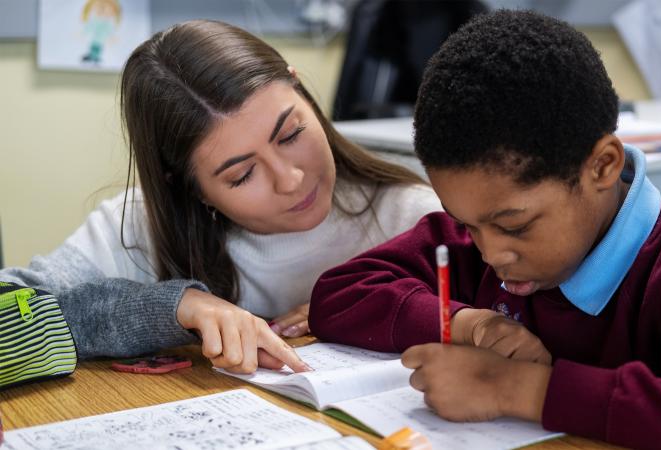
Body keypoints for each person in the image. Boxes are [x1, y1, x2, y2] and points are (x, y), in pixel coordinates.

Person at [308, 10, 661, 449]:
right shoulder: (478, 235)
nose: (492, 254)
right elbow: (338, 294)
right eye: (468, 226)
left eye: (514, 226)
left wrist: (518, 389)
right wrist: (468, 324)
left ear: (601, 167)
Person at [1, 20, 439, 374]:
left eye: (291, 134)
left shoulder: (416, 219)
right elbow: (9, 313)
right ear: (189, 186)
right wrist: (172, 307)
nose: (290, 179)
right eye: (242, 174)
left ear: (300, 89)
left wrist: (378, 308)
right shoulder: (138, 229)